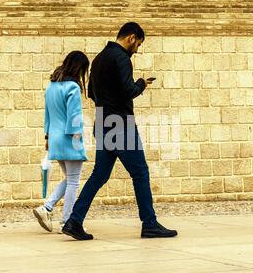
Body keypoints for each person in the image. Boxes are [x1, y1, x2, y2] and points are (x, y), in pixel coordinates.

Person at [62, 22, 178, 240]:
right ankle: (149, 223)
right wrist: (141, 84)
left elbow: (93, 94)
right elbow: (128, 91)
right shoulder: (122, 58)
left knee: (99, 175)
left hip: (103, 122)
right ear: (132, 38)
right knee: (140, 172)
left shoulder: (97, 60)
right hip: (121, 125)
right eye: (139, 44)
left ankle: (74, 221)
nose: (138, 50)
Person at [33, 51, 90, 233]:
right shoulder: (72, 87)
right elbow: (75, 116)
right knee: (74, 181)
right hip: (69, 138)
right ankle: (67, 221)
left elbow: (47, 115)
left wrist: (47, 137)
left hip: (55, 139)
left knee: (70, 178)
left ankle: (47, 208)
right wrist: (77, 138)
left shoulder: (51, 86)